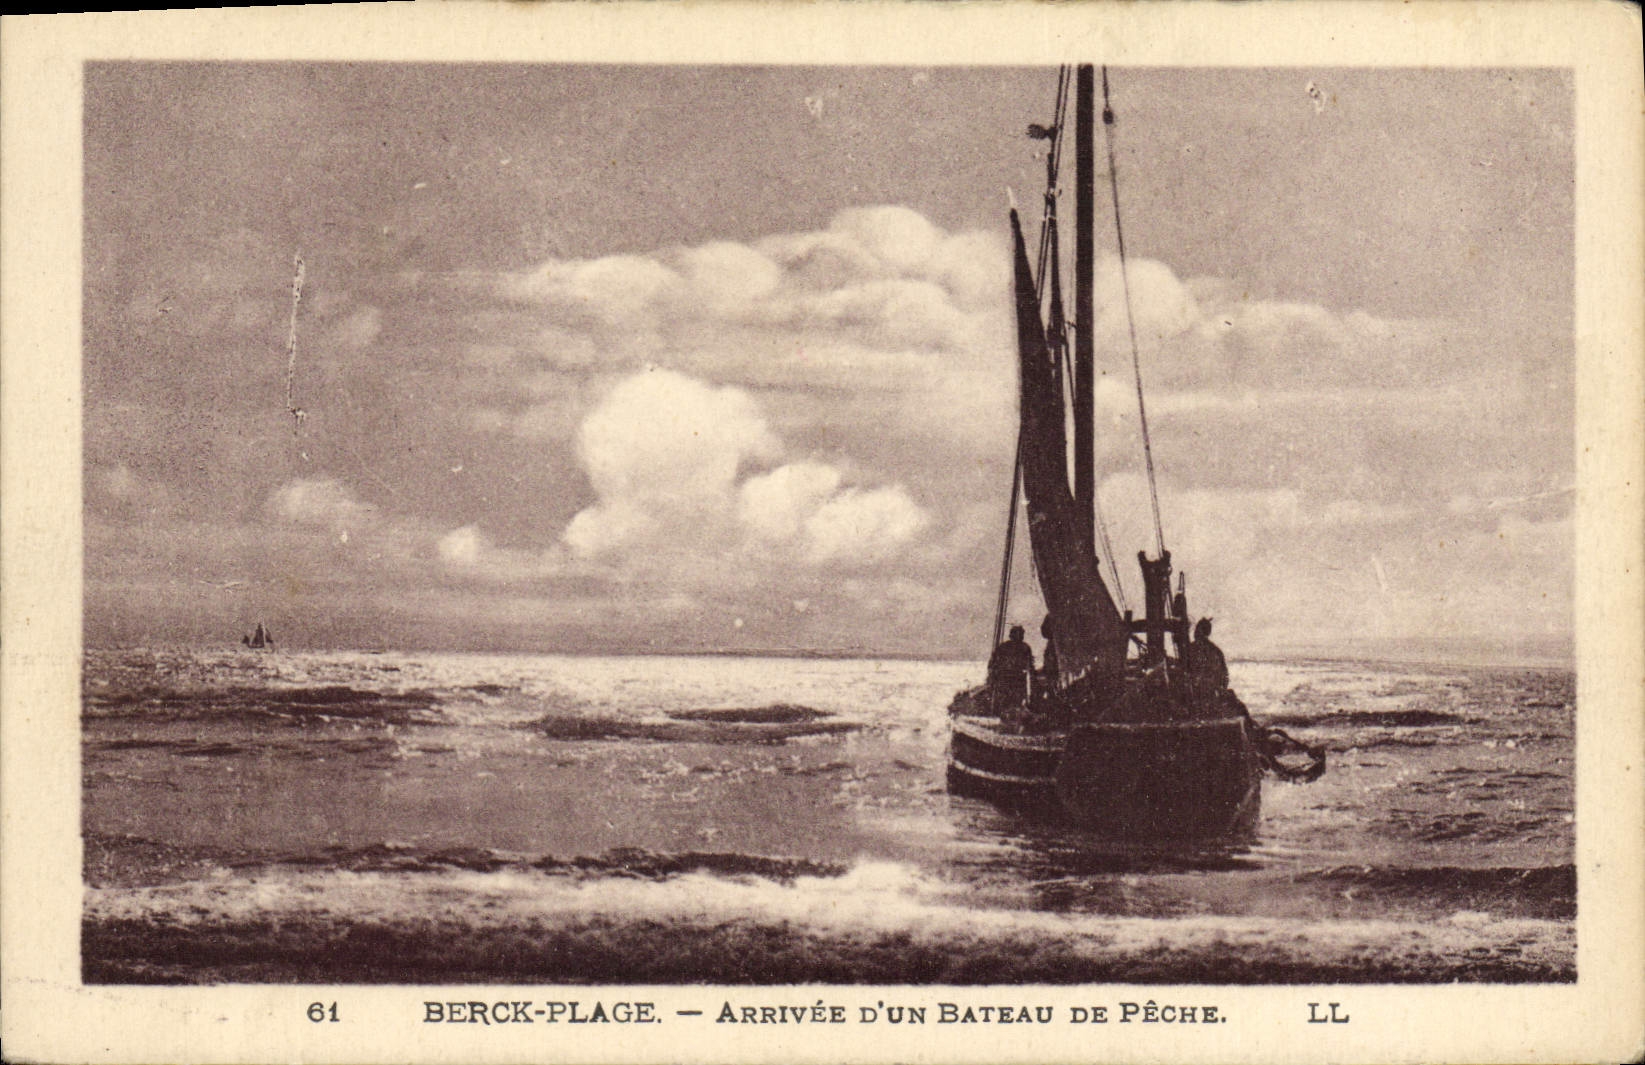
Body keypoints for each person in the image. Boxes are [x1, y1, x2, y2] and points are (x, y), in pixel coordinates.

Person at [987, 624, 1035, 714]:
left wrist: (993, 676)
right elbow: (1030, 667)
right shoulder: (1024, 647)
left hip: (1010, 679)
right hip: (1014, 680)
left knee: (1007, 703)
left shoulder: (1003, 647)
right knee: (1013, 703)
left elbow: (992, 664)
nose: (1021, 636)